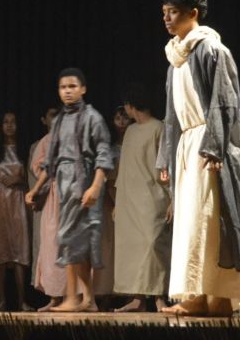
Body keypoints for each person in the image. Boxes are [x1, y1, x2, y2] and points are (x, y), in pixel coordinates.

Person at [155, 0, 240, 316]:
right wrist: (166, 157)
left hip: (208, 146)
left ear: (193, 13)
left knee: (211, 221)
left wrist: (215, 148)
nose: (167, 19)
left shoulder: (211, 49)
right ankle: (199, 295)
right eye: (165, 13)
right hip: (186, 144)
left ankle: (220, 296)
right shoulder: (175, 58)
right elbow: (172, 115)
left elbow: (224, 103)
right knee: (190, 222)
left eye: (174, 12)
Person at [26, 68, 113, 313]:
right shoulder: (60, 121)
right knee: (72, 242)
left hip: (84, 181)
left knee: (75, 240)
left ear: (83, 89)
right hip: (64, 186)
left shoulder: (92, 117)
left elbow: (104, 155)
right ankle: (87, 299)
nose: (68, 91)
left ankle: (75, 299)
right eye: (63, 87)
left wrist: (96, 186)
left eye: (73, 86)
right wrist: (35, 189)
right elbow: (50, 162)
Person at [113, 84, 172, 312]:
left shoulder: (158, 128)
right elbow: (124, 168)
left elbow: (165, 165)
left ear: (131, 105)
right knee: (134, 248)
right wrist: (119, 200)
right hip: (131, 198)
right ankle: (138, 298)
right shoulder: (130, 131)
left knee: (153, 245)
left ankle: (158, 297)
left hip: (153, 197)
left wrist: (171, 197)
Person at [0, 112, 32, 311]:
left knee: (20, 249)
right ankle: (2, 300)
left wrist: (20, 181)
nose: (10, 125)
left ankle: (22, 301)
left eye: (13, 121)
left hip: (18, 198)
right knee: (0, 249)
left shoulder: (24, 151)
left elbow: (31, 178)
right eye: (5, 122)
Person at [93, 106, 129, 308]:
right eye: (117, 118)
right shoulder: (111, 148)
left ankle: (129, 292)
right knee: (109, 248)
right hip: (111, 201)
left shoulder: (133, 143)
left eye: (124, 118)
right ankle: (106, 291)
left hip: (130, 199)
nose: (122, 122)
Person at [28, 106, 58, 286]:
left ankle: (70, 295)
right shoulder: (42, 143)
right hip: (48, 196)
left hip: (67, 195)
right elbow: (38, 170)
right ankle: (52, 293)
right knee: (48, 244)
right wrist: (36, 194)